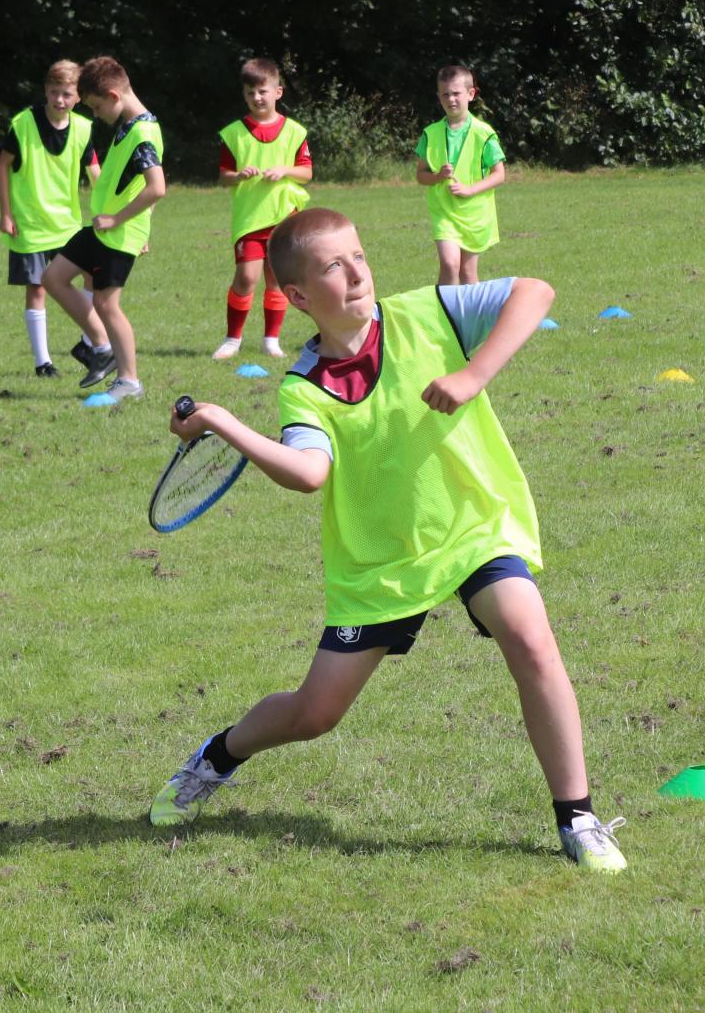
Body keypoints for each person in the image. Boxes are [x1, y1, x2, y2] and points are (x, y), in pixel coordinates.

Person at [149, 206, 627, 872]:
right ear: (298, 297)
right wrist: (227, 422)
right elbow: (309, 472)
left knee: (530, 636)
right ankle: (219, 756)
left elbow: (534, 292)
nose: (355, 274)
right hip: (381, 564)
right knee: (316, 714)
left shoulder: (424, 314)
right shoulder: (306, 389)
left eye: (359, 257)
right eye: (331, 267)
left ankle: (577, 817)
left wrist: (471, 375)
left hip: (469, 526)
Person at [42, 56, 164, 400]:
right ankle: (101, 346)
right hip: (101, 229)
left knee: (107, 304)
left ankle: (130, 381)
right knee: (53, 278)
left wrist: (121, 221)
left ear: (113, 95)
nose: (95, 114)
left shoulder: (143, 134)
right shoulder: (131, 123)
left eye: (96, 107)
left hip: (119, 232)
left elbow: (157, 187)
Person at [0, 59, 104, 377]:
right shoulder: (23, 124)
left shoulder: (84, 128)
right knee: (37, 288)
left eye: (67, 94)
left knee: (94, 276)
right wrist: (5, 213)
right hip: (29, 224)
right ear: (45, 91)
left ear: (78, 97)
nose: (59, 100)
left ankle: (87, 343)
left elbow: (95, 173)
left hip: (67, 224)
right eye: (54, 92)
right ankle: (43, 363)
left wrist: (111, 213)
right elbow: (2, 166)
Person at [212, 57, 312, 359]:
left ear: (278, 92)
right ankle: (233, 339)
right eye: (250, 93)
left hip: (284, 218)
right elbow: (223, 178)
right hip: (250, 219)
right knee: (246, 278)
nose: (257, 97)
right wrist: (238, 176)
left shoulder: (295, 131)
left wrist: (285, 170)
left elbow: (307, 173)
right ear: (244, 95)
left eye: (263, 91)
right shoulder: (234, 133)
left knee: (277, 279)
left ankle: (271, 340)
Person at [414, 64, 507, 286]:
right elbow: (420, 175)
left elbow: (499, 174)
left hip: (475, 215)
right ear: (439, 97)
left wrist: (469, 189)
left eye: (456, 93)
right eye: (445, 94)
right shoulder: (430, 134)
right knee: (449, 264)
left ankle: (474, 319)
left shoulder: (484, 133)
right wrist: (437, 176)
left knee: (467, 273)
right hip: (444, 212)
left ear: (470, 94)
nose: (451, 99)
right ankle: (443, 317)